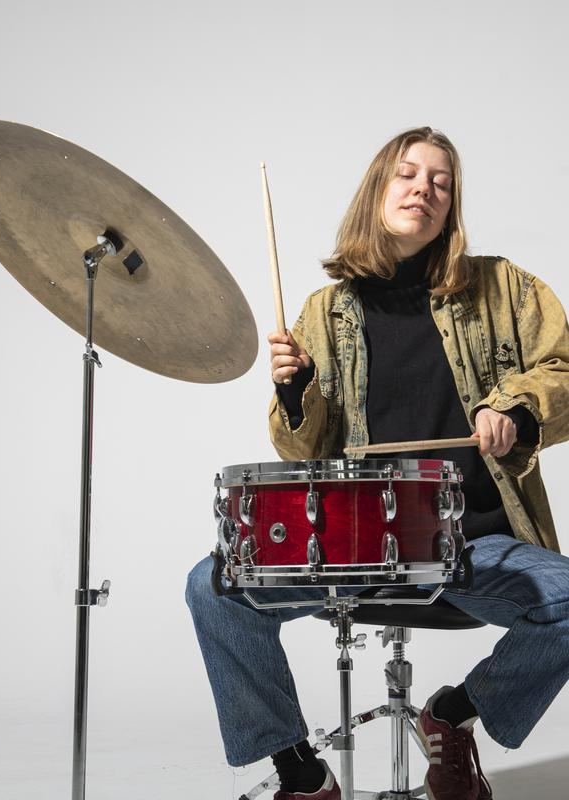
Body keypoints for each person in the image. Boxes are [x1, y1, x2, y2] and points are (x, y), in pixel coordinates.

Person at [186, 126, 569, 800]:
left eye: (442, 182)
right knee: (211, 588)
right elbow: (298, 452)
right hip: (351, 549)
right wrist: (294, 393)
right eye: (408, 174)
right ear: (377, 191)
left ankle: (454, 712)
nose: (425, 189)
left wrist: (517, 408)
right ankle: (299, 770)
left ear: (451, 206)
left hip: (470, 545)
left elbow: (562, 368)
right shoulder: (324, 312)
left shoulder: (505, 288)